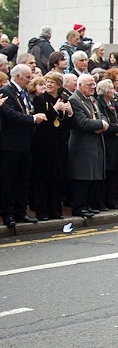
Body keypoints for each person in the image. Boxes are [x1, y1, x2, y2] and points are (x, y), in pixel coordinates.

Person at [0, 64, 42, 233]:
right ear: (17, 76)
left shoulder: (22, 93)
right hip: (10, 145)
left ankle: (20, 211)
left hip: (25, 144)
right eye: (27, 77)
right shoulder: (6, 91)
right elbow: (10, 115)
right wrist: (32, 119)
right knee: (8, 181)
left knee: (22, 180)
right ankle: (8, 213)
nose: (29, 80)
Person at [30, 71, 72, 221]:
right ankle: (42, 212)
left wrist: (69, 113)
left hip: (59, 145)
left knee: (58, 179)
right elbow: (42, 120)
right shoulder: (39, 99)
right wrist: (54, 109)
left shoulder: (64, 99)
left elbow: (68, 124)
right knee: (43, 180)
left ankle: (55, 210)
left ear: (59, 85)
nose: (48, 84)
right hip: (44, 146)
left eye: (52, 82)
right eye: (47, 81)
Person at [68, 75, 108, 218]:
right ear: (79, 86)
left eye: (93, 84)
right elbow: (82, 122)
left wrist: (101, 124)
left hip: (93, 144)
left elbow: (102, 116)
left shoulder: (91, 99)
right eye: (89, 85)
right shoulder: (74, 100)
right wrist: (100, 125)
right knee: (82, 178)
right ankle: (79, 206)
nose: (92, 87)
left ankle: (86, 204)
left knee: (91, 179)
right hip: (82, 146)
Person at [96, 78, 118, 210]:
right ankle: (104, 201)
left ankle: (112, 200)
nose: (114, 91)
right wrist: (115, 127)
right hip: (105, 142)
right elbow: (104, 123)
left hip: (114, 142)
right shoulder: (99, 104)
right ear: (105, 91)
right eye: (111, 89)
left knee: (114, 172)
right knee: (107, 173)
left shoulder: (111, 103)